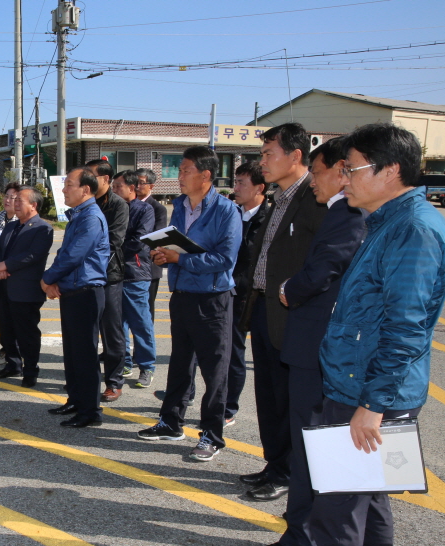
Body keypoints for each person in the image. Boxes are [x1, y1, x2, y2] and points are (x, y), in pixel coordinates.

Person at [262, 122, 445, 546]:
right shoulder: (386, 221)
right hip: (361, 385)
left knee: (337, 509)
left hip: (367, 393)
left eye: (353, 168)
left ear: (391, 171)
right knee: (367, 499)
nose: (344, 179)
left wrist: (371, 406)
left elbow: (407, 327)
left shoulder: (412, 230)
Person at [250, 137, 367, 546]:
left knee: (312, 445)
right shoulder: (339, 210)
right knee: (305, 440)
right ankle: (307, 534)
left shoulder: (347, 215)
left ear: (341, 170)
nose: (315, 181)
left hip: (317, 344)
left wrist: (287, 290)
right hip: (303, 339)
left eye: (319, 172)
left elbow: (324, 267)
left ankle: (304, 537)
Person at [239, 122, 326, 502]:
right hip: (264, 309)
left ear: (295, 156)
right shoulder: (280, 196)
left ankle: (289, 472)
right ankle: (274, 464)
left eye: (268, 153)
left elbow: (321, 263)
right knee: (270, 396)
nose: (263, 161)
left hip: (294, 314)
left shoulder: (314, 198)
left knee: (291, 400)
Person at [137, 146, 240, 461]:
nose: (178, 176)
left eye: (184, 170)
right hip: (182, 295)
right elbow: (176, 246)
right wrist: (163, 255)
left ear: (205, 175)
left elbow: (225, 259)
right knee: (180, 364)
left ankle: (211, 435)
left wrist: (179, 258)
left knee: (214, 371)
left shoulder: (225, 211)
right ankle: (171, 421)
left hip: (212, 300)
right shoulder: (180, 206)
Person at [42, 167, 110, 427]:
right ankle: (76, 399)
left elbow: (74, 256)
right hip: (73, 290)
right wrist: (53, 280)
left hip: (87, 293)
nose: (63, 190)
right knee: (72, 352)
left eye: (69, 185)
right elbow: (64, 253)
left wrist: (46, 279)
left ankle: (90, 411)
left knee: (84, 354)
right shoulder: (79, 215)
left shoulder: (91, 217)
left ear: (86, 190)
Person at [0, 186, 53, 388]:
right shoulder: (11, 226)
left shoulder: (42, 228)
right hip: (4, 286)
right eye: (14, 200)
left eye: (20, 201)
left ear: (33, 205)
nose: (15, 204)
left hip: (26, 290)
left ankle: (31, 370)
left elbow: (34, 255)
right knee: (6, 330)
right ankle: (13, 364)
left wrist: (6, 265)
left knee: (27, 333)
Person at [226, 162, 270, 426]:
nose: (236, 188)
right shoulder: (232, 213)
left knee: (235, 352)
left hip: (251, 295)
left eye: (242, 183)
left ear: (259, 188)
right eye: (236, 181)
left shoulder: (269, 217)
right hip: (227, 290)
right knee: (222, 351)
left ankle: (229, 408)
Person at [86, 159, 129, 403]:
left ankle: (114, 382)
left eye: (91, 175)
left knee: (112, 332)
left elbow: (114, 242)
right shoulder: (85, 203)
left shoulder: (118, 205)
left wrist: (85, 256)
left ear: (105, 179)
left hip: (109, 275)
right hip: (85, 277)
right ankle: (89, 380)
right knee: (88, 331)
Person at [113, 170, 156, 390]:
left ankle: (147, 366)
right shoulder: (112, 208)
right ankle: (125, 363)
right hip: (114, 274)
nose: (114, 190)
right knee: (118, 324)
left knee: (140, 322)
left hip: (135, 274)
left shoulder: (144, 210)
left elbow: (139, 240)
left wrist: (114, 253)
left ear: (132, 188)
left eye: (118, 186)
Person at [0, 183, 21, 365]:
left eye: (13, 197)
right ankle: (5, 350)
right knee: (2, 315)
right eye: (6, 196)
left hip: (14, 274)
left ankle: (18, 352)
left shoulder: (22, 219)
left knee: (17, 315)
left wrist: (4, 266)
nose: (8, 200)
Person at [134, 169, 168, 321]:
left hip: (149, 266)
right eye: (134, 182)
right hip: (129, 266)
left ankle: (145, 344)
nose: (136, 186)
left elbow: (157, 237)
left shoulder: (158, 209)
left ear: (151, 186)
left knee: (146, 310)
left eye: (141, 182)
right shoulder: (127, 204)